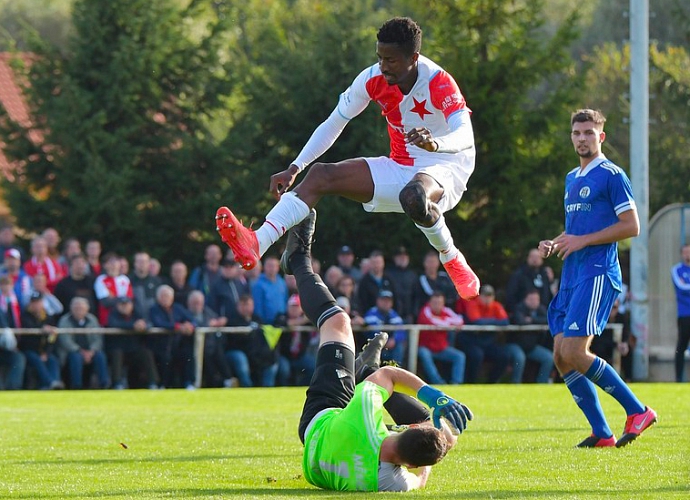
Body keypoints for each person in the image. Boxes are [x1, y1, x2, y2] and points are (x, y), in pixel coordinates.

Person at [215, 16, 480, 304]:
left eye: (391, 60)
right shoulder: (372, 79)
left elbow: (465, 135)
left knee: (414, 196)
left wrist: (434, 143)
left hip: (448, 164)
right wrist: (295, 167)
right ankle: (258, 242)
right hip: (401, 164)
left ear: (414, 58)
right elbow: (334, 123)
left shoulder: (439, 82)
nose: (383, 66)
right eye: (379, 57)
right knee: (319, 175)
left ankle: (452, 259)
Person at [281, 209, 472, 491]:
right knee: (444, 440)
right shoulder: (388, 483)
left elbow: (390, 375)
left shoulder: (365, 413)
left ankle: (298, 259)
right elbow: (419, 479)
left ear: (408, 429)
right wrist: (428, 452)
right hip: (315, 458)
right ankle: (365, 372)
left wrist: (435, 397)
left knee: (338, 322)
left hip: (321, 420)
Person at [538, 108, 656, 448]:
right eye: (577, 133)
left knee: (575, 350)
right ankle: (602, 433)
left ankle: (638, 411)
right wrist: (557, 241)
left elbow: (631, 226)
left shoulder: (612, 174)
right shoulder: (571, 178)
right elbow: (578, 230)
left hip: (598, 272)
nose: (582, 138)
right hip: (572, 274)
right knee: (561, 355)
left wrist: (581, 241)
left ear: (600, 136)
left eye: (589, 132)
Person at [456, 284, 513, 383]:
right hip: (472, 341)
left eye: (490, 295)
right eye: (485, 295)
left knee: (504, 356)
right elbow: (477, 322)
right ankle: (471, 382)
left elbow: (505, 322)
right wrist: (495, 321)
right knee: (477, 355)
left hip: (488, 342)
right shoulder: (472, 304)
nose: (487, 298)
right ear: (480, 296)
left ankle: (491, 382)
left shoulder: (496, 306)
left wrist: (487, 321)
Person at [186, 290, 238, 389]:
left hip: (210, 345)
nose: (197, 306)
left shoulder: (207, 312)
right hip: (191, 345)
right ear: (189, 303)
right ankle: (191, 382)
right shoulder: (185, 313)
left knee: (218, 352)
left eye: (199, 303)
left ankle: (228, 379)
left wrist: (221, 321)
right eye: (195, 303)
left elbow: (216, 320)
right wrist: (208, 325)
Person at [148, 284, 197, 389]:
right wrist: (177, 326)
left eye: (168, 296)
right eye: (163, 296)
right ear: (158, 297)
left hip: (178, 343)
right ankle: (163, 385)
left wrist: (190, 326)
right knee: (164, 358)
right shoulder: (154, 309)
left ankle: (189, 383)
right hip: (161, 344)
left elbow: (193, 319)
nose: (165, 298)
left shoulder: (178, 308)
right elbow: (159, 323)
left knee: (188, 354)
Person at [105, 296, 158, 390]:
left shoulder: (137, 313)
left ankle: (153, 382)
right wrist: (133, 326)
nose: (125, 307)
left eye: (127, 304)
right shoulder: (113, 314)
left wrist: (144, 326)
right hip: (119, 348)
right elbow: (113, 324)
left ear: (132, 305)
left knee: (146, 353)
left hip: (134, 349)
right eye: (122, 305)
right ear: (117, 306)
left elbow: (149, 323)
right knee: (117, 354)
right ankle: (117, 383)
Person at [56, 297, 110, 389]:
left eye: (81, 308)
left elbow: (98, 339)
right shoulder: (65, 320)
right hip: (72, 352)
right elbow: (65, 340)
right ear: (71, 308)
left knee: (100, 356)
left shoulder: (92, 320)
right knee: (76, 357)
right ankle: (77, 386)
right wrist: (80, 351)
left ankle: (104, 384)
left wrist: (92, 351)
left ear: (87, 309)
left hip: (90, 351)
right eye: (76, 308)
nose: (79, 310)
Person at [416, 291, 465, 385]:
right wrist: (449, 323)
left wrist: (445, 321)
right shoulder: (425, 311)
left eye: (439, 303)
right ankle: (439, 383)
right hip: (426, 347)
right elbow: (433, 322)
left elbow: (459, 320)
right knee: (424, 354)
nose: (437, 306)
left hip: (441, 348)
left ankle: (456, 384)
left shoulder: (446, 311)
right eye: (434, 303)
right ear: (429, 303)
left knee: (459, 356)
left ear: (443, 303)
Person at [18, 291, 64, 390]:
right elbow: (29, 328)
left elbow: (52, 338)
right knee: (36, 360)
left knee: (52, 360)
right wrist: (42, 328)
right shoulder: (25, 315)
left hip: (44, 350)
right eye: (34, 302)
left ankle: (55, 382)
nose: (36, 305)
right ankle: (50, 383)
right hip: (29, 350)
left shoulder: (47, 317)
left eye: (38, 302)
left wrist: (46, 353)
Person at [509, 289, 554, 383]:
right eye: (531, 299)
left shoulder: (540, 309)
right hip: (516, 345)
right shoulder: (519, 308)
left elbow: (548, 319)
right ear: (525, 300)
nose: (534, 302)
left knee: (549, 358)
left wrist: (532, 319)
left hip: (531, 347)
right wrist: (535, 320)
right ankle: (515, 384)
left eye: (536, 299)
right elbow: (520, 321)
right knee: (519, 358)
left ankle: (542, 384)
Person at [504, 248, 555, 314]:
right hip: (522, 312)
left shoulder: (545, 275)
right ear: (528, 258)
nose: (535, 259)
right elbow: (511, 294)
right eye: (532, 257)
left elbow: (549, 294)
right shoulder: (519, 274)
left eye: (537, 257)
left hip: (543, 312)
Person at [363, 289, 407, 366]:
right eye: (383, 300)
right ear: (378, 301)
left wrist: (394, 340)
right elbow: (371, 332)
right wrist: (384, 341)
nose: (386, 303)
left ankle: (395, 370)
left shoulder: (394, 314)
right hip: (376, 346)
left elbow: (401, 331)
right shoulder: (371, 313)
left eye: (388, 301)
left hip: (391, 347)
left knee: (399, 346)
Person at [412, 250, 457, 316]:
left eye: (434, 262)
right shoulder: (421, 279)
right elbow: (431, 295)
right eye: (429, 262)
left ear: (438, 263)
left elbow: (453, 292)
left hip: (448, 311)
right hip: (429, 313)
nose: (432, 265)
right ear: (424, 263)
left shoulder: (444, 276)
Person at [94, 252, 133, 326]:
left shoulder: (125, 279)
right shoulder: (101, 280)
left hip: (125, 319)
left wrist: (113, 298)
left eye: (116, 261)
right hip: (106, 320)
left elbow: (129, 300)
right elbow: (105, 302)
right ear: (105, 265)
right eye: (110, 262)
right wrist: (121, 300)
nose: (113, 264)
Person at [671, 243, 690, 382]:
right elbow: (681, 287)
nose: (687, 255)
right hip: (684, 314)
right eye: (685, 252)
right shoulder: (676, 269)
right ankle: (678, 378)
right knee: (682, 346)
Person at [251, 255, 288, 324]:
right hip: (266, 324)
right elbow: (258, 306)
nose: (272, 268)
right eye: (269, 266)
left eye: (274, 266)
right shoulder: (258, 284)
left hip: (282, 323)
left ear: (278, 267)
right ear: (264, 267)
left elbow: (285, 300)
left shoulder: (282, 283)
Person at [386, 246, 419, 324]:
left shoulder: (412, 275)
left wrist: (414, 314)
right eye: (400, 256)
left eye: (405, 256)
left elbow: (416, 297)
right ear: (394, 258)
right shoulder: (388, 274)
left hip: (409, 315)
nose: (403, 258)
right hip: (392, 315)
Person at [357, 250, 396, 314]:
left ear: (383, 263)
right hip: (370, 317)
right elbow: (362, 302)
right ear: (370, 264)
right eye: (374, 263)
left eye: (378, 262)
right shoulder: (364, 281)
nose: (376, 265)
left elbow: (395, 298)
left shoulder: (390, 279)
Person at [129, 251, 163, 322]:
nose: (142, 264)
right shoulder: (127, 281)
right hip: (133, 322)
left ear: (149, 264)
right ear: (134, 263)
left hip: (154, 322)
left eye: (144, 261)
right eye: (139, 261)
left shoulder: (157, 281)